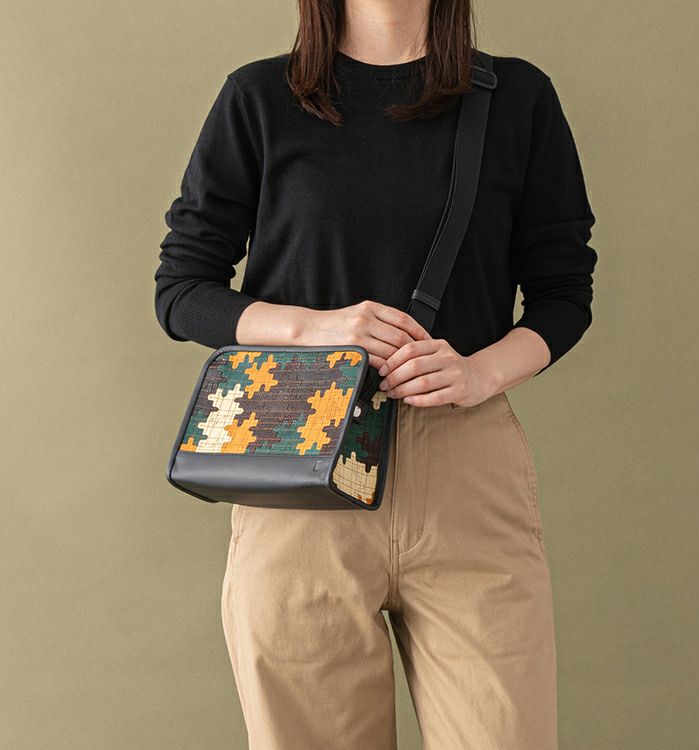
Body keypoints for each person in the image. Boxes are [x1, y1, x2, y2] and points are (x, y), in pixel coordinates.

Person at [154, 1, 598, 747]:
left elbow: (564, 294)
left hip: (465, 468)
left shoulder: (518, 98)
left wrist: (479, 374)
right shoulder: (259, 97)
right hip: (300, 468)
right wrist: (317, 328)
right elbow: (182, 289)